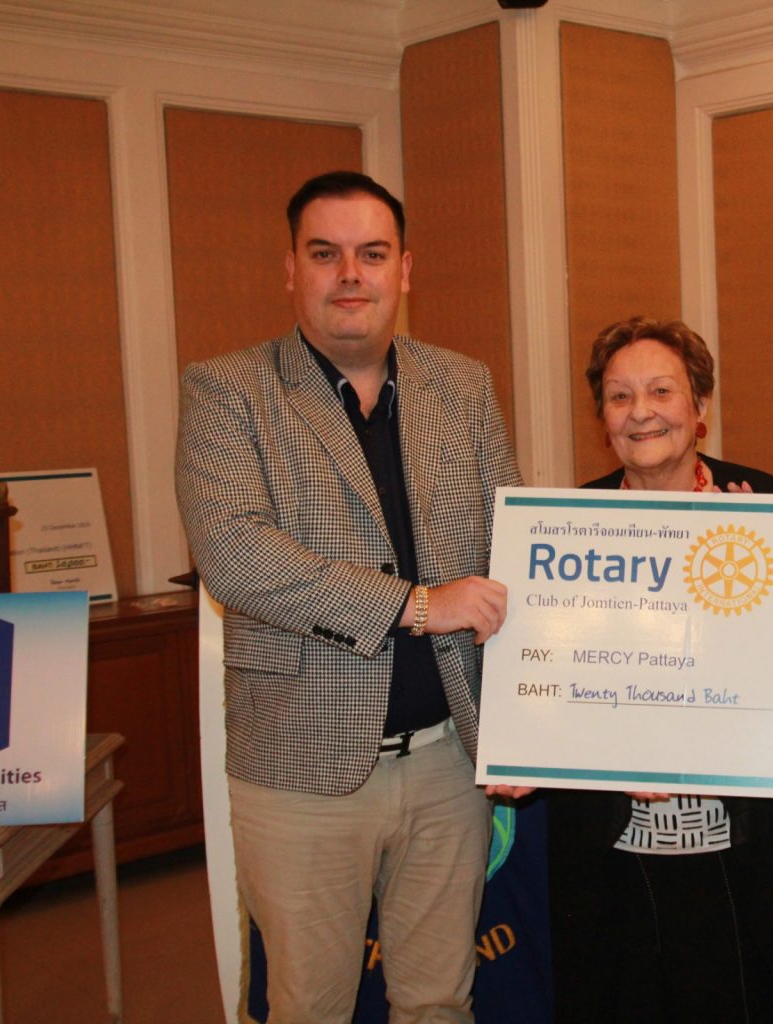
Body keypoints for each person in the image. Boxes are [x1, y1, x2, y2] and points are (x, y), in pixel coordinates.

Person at [175, 170, 522, 1023]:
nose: (350, 275)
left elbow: (512, 555)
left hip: (448, 762)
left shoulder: (463, 386)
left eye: (371, 253)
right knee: (311, 1008)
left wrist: (526, 727)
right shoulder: (227, 391)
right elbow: (235, 556)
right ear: (290, 269)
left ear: (405, 268)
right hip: (300, 770)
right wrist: (417, 604)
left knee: (440, 1002)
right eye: (325, 254)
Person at [545, 316, 773, 1023]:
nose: (640, 412)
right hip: (614, 830)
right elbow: (550, 683)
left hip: (745, 828)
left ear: (699, 406)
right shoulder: (565, 523)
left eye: (661, 391)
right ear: (602, 418)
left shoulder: (769, 505)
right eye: (619, 396)